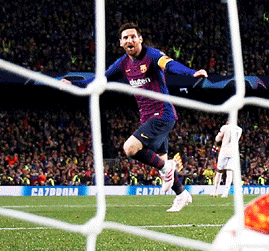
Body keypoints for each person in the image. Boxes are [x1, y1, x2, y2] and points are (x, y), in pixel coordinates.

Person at [61, 22, 207, 212]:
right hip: (146, 117)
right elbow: (101, 78)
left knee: (130, 148)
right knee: (161, 160)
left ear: (140, 39)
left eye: (133, 36)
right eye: (125, 38)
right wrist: (75, 85)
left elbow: (169, 64)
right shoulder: (123, 63)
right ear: (121, 43)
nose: (129, 40)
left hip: (162, 113)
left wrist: (191, 73)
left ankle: (167, 169)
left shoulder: (152, 55)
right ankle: (182, 194)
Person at [211, 120, 243, 198]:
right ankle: (225, 192)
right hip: (234, 152)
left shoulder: (225, 127)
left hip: (224, 151)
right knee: (229, 172)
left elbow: (217, 139)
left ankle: (215, 191)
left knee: (219, 171)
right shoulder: (239, 129)